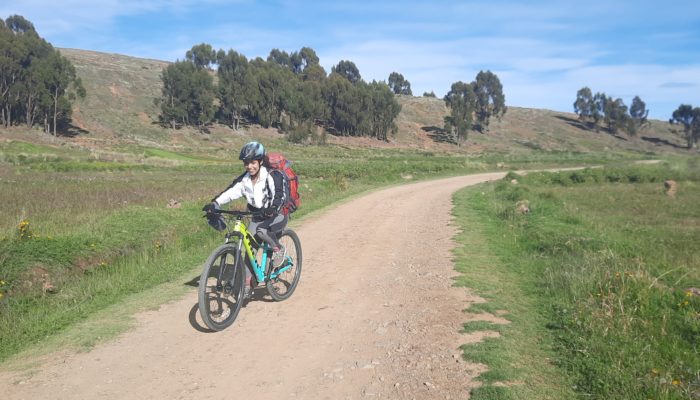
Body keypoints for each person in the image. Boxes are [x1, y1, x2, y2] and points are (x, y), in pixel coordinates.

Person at [203, 141, 288, 270]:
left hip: (277, 214)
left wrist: (273, 208)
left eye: (253, 162)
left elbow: (279, 194)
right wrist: (215, 203)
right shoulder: (245, 179)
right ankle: (247, 285)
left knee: (261, 231)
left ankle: (279, 249)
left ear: (260, 161)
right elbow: (230, 192)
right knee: (249, 252)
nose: (249, 166)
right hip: (257, 216)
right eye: (246, 163)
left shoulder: (272, 175)